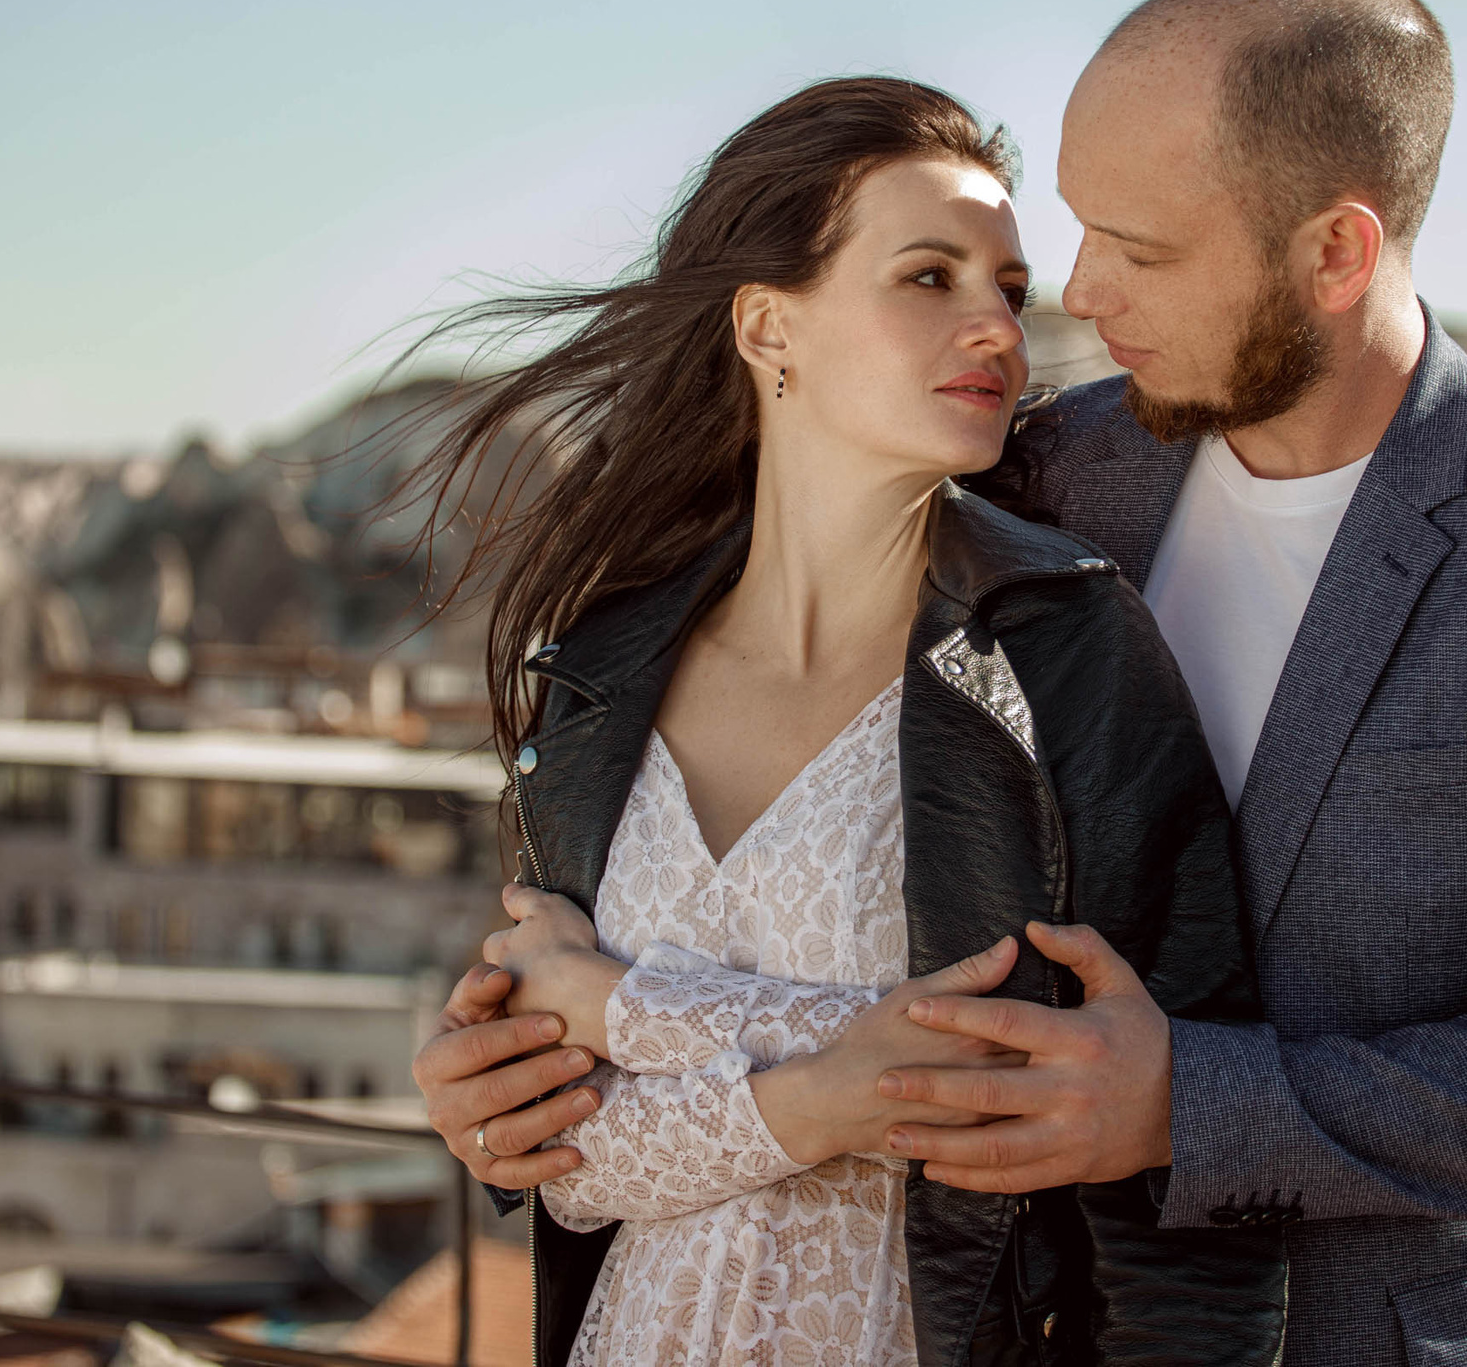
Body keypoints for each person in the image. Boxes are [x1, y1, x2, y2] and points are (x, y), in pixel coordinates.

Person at [452, 0, 1467, 1365]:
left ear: (1337, 254)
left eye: (1143, 250)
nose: (1077, 295)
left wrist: (1186, 1103)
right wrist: (510, 1080)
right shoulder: (1042, 480)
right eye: (1078, 234)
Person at [407, 77, 1284, 1367]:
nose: (998, 327)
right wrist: (809, 1091)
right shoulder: (600, 670)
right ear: (769, 326)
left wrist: (626, 1007)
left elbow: (1158, 1130)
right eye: (930, 276)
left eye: (1009, 288)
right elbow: (570, 1165)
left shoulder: (1064, 647)